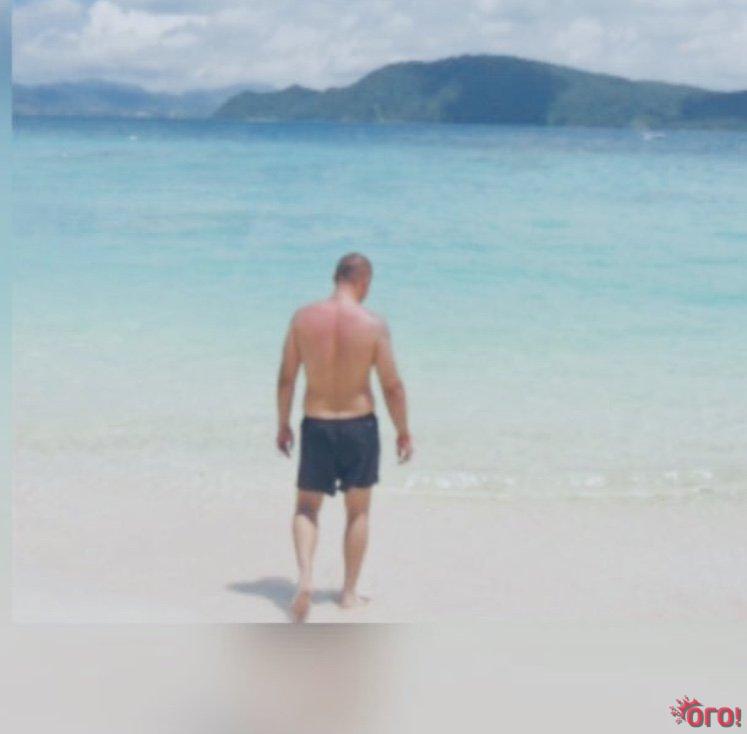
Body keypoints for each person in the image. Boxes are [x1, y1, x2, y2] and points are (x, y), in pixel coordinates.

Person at [276, 253, 413, 622]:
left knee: (307, 507)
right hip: (358, 427)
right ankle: (348, 595)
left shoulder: (303, 318)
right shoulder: (373, 324)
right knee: (358, 512)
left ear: (335, 277)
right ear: (363, 282)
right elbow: (392, 386)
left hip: (316, 424)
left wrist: (283, 423)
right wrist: (403, 431)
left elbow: (286, 377)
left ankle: (305, 577)